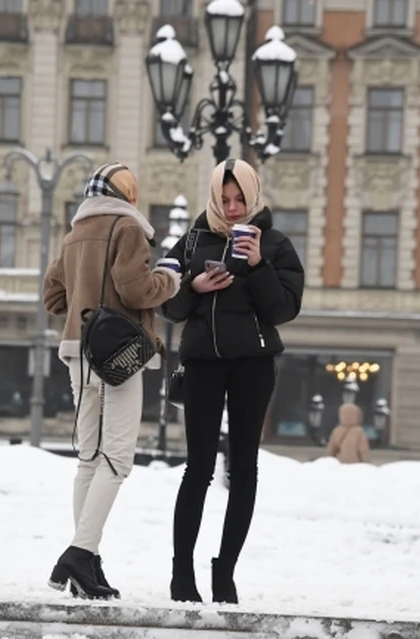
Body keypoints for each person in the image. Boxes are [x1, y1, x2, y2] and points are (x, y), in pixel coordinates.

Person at [160, 158, 305, 604]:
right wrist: (195, 288)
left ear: (253, 195)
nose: (233, 206)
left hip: (253, 367)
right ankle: (181, 574)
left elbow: (283, 310)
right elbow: (167, 306)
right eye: (224, 199)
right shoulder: (191, 242)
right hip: (203, 364)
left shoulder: (276, 245)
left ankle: (225, 571)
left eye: (240, 198)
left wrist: (259, 264)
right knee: (198, 469)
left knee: (243, 470)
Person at [42, 162, 180, 600]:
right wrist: (170, 279)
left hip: (77, 353)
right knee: (118, 459)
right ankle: (80, 553)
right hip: (118, 354)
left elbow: (52, 296)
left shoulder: (74, 233)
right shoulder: (127, 228)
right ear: (126, 194)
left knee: (88, 457)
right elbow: (138, 290)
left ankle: (88, 561)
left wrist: (86, 307)